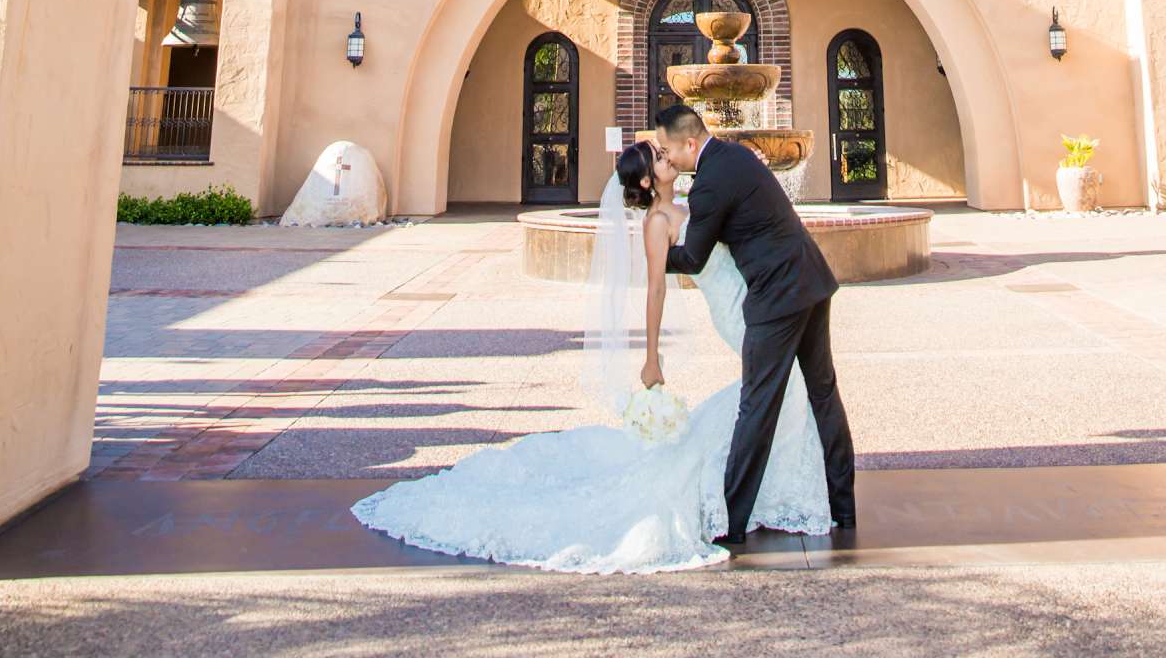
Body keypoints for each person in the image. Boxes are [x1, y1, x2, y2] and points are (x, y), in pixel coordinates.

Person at [351, 134, 833, 573]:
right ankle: (752, 496)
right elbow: (655, 292)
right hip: (738, 309)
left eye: (667, 152)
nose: (669, 158)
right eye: (660, 158)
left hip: (754, 298)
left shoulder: (690, 200)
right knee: (777, 392)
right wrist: (651, 357)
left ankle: (762, 491)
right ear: (646, 181)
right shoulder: (657, 222)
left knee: (777, 392)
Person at [657, 101, 856, 546]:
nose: (667, 158)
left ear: (690, 143)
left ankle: (733, 519)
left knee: (757, 405)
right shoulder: (736, 155)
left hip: (778, 299)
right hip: (811, 280)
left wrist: (651, 259)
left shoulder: (708, 184)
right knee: (823, 393)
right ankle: (844, 506)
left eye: (669, 149)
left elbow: (693, 257)